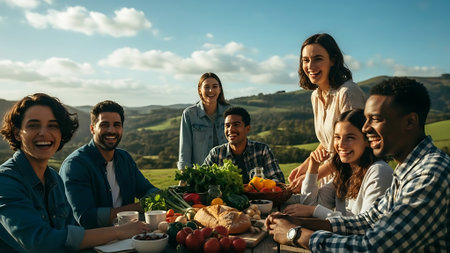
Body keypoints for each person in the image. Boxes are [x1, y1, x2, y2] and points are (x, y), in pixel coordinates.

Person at [266, 77, 449, 251]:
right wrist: (296, 221)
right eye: (367, 118)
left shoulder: (430, 174)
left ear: (410, 121)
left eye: (375, 119)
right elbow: (367, 221)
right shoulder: (407, 170)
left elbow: (371, 247)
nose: (365, 128)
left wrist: (295, 233)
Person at [0, 93, 149, 252]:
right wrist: (119, 231)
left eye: (53, 125)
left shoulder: (53, 178)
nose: (44, 133)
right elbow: (41, 241)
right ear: (17, 133)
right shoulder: (6, 181)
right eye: (33, 125)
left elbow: (71, 234)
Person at [59, 100, 159, 229]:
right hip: (91, 243)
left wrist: (160, 197)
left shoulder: (124, 159)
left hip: (128, 236)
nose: (111, 130)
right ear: (92, 128)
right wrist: (137, 207)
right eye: (104, 125)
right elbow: (86, 218)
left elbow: (148, 190)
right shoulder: (75, 165)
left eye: (117, 125)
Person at [288, 33, 366, 193]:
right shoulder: (316, 96)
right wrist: (305, 166)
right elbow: (327, 142)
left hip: (350, 177)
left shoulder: (348, 93)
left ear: (333, 60)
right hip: (329, 176)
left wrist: (311, 176)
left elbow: (353, 145)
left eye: (318, 59)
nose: (310, 66)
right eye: (306, 60)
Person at [284, 109, 392, 219]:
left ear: (367, 140)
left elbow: (365, 224)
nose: (341, 144)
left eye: (350, 137)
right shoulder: (345, 171)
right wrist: (313, 166)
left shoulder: (379, 172)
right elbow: (309, 204)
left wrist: (314, 211)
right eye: (337, 137)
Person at [203, 106, 285, 183]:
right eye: (227, 126)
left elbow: (278, 180)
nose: (230, 130)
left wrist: (262, 185)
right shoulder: (216, 154)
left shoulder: (262, 150)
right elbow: (202, 179)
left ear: (247, 128)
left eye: (236, 125)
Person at [177, 72, 231, 170]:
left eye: (215, 86)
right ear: (200, 90)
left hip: (228, 172)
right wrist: (184, 174)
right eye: (206, 87)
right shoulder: (189, 114)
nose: (211, 90)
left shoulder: (230, 112)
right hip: (200, 175)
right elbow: (185, 147)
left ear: (220, 89)